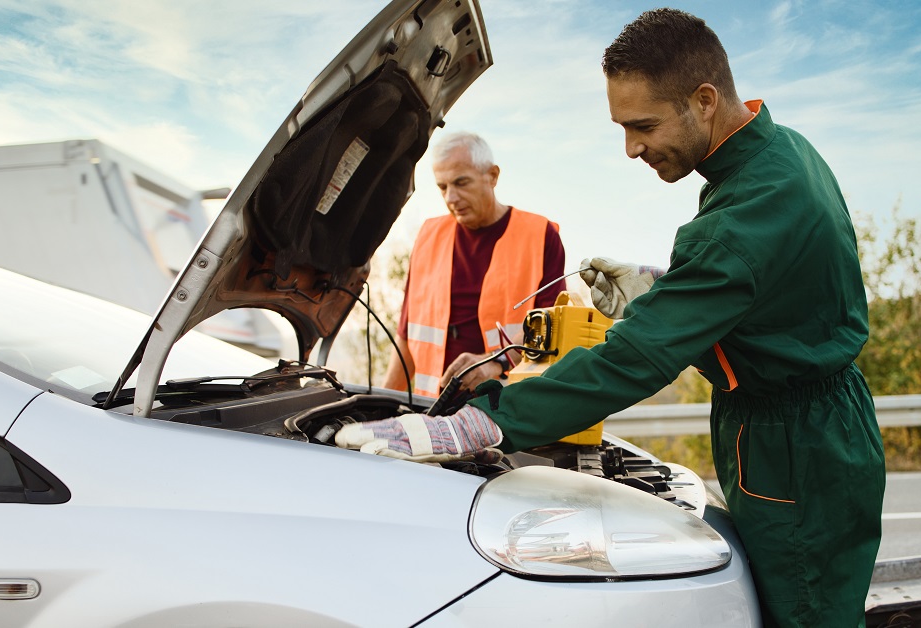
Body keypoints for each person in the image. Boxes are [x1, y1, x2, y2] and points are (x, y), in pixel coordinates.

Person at [342, 9, 884, 627]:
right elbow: (766, 286)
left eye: (643, 125)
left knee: (808, 617)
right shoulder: (777, 154)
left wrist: (479, 426)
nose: (631, 149)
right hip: (814, 428)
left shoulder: (742, 217)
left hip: (794, 447)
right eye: (622, 127)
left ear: (704, 101)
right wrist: (659, 283)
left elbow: (636, 358)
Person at [382, 131, 566, 398]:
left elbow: (552, 326)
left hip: (504, 405)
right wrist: (383, 402)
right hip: (432, 407)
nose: (450, 198)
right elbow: (406, 336)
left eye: (461, 183)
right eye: (442, 187)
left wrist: (494, 362)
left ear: (492, 176)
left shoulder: (539, 235)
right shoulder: (428, 236)